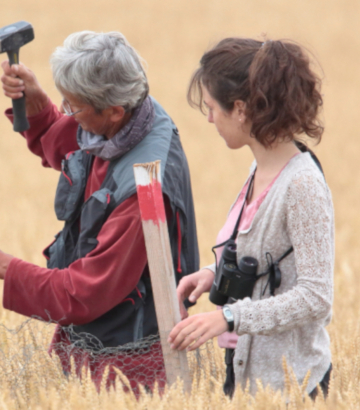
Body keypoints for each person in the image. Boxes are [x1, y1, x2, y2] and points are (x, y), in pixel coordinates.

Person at [0, 31, 198, 393]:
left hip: (130, 370)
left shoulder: (142, 189)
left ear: (113, 109)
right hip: (89, 352)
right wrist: (37, 104)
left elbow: (84, 293)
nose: (68, 113)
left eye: (73, 106)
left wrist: (0, 265)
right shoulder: (128, 116)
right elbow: (67, 141)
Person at [168, 37, 333, 398]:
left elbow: (316, 297)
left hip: (293, 389)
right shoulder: (260, 169)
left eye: (212, 107)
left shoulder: (301, 185)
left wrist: (228, 318)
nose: (210, 118)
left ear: (240, 109)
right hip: (250, 382)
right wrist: (213, 274)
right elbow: (264, 259)